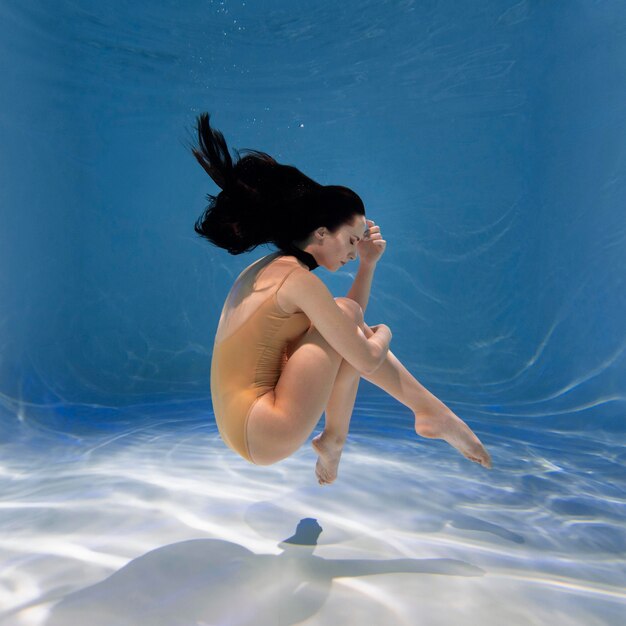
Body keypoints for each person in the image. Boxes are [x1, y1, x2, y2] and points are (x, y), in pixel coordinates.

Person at [191, 113, 492, 485]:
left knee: (343, 324)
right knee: (347, 319)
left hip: (242, 429)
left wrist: (367, 265)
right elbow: (364, 354)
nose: (354, 251)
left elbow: (343, 340)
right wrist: (384, 333)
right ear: (321, 233)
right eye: (352, 240)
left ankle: (337, 440)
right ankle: (431, 413)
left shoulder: (268, 269)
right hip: (267, 430)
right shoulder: (296, 280)